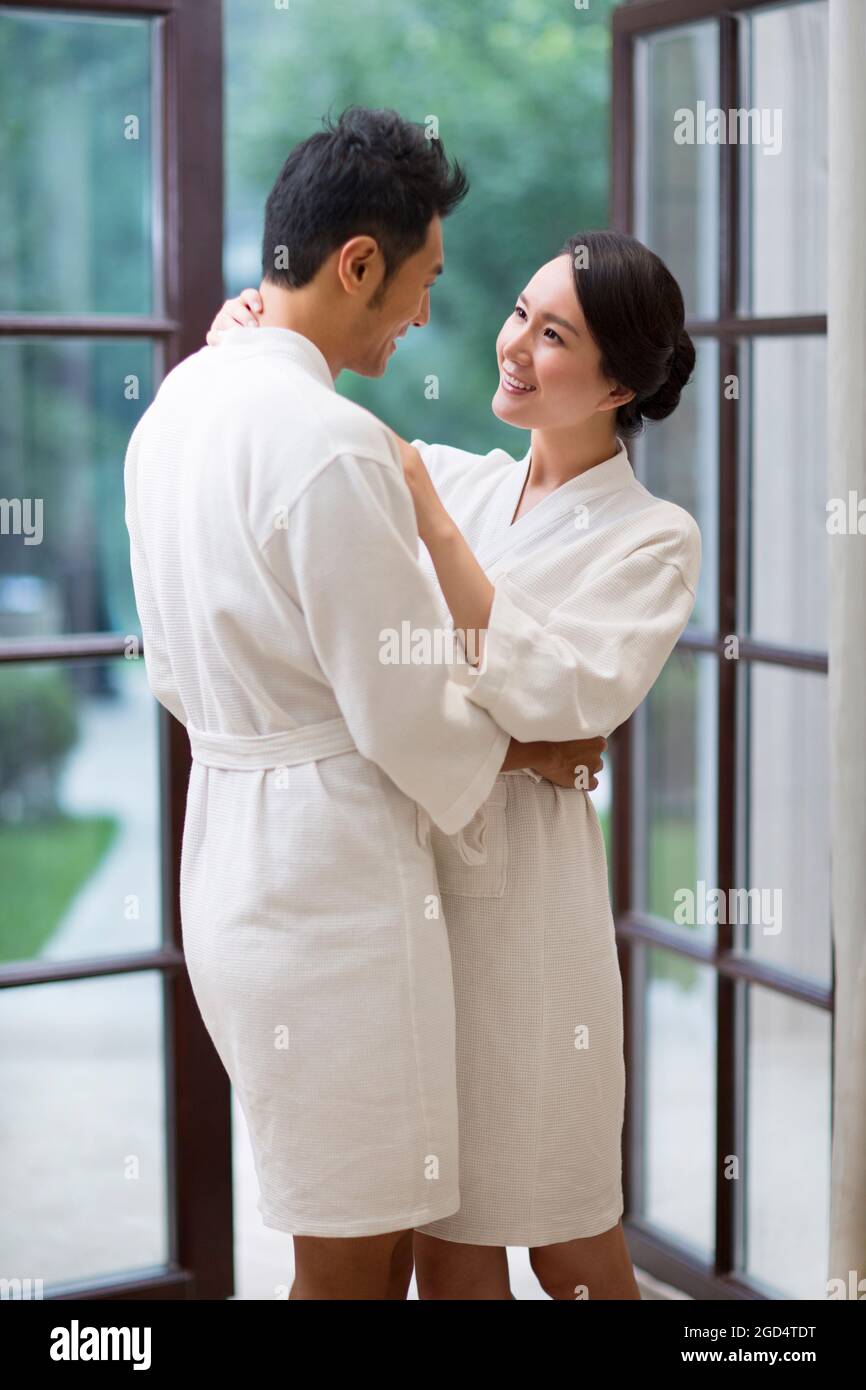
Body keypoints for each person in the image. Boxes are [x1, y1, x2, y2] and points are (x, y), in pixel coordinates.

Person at [124, 106, 600, 1303]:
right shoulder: (328, 443)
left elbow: (175, 674)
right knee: (349, 1260)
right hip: (331, 894)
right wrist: (533, 743)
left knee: (352, 1231)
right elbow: (407, 712)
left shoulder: (175, 408)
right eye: (424, 279)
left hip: (230, 849)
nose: (430, 315)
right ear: (357, 263)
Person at [209, 227, 701, 1300]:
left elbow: (567, 694)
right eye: (519, 312)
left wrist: (440, 545)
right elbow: (493, 697)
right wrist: (249, 336)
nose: (514, 343)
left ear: (618, 380)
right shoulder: (463, 483)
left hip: (528, 934)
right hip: (408, 910)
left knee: (569, 1234)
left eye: (554, 332)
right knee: (448, 1240)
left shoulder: (652, 537)